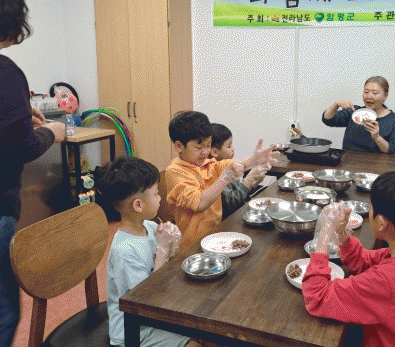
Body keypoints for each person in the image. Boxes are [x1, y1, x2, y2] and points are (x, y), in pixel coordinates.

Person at [302, 171, 395, 347]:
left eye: (371, 207)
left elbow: (318, 297)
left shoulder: (388, 280)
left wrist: (324, 235)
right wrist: (341, 233)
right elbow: (364, 261)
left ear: (381, 223)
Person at [0, 0, 65, 347]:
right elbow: (22, 146)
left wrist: (21, 113)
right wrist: (51, 132)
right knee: (4, 310)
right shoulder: (5, 73)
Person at [95, 156, 200, 347]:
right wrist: (162, 250)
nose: (160, 198)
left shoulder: (150, 227)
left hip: (156, 311)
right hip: (134, 330)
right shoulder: (124, 251)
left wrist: (171, 245)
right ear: (138, 205)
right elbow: (144, 302)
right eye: (156, 194)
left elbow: (167, 269)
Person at [165, 111, 278, 249]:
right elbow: (200, 203)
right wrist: (225, 177)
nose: (205, 152)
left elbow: (232, 165)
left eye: (208, 145)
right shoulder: (175, 172)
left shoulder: (207, 163)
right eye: (199, 147)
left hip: (216, 235)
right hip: (192, 245)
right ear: (179, 146)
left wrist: (254, 160)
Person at [322, 76, 395, 153]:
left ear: (385, 96)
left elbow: (393, 151)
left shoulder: (394, 119)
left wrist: (377, 137)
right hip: (348, 161)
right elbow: (328, 120)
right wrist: (336, 105)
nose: (369, 96)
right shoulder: (355, 112)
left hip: (377, 163)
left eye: (375, 93)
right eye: (366, 92)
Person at [209, 123, 269, 219]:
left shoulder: (228, 166)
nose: (233, 149)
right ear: (215, 152)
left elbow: (240, 191)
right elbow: (232, 203)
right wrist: (249, 180)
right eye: (229, 146)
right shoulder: (214, 173)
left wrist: (254, 182)